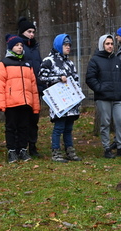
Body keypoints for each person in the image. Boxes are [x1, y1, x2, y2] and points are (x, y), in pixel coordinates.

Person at [0, 34, 40, 163]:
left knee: (24, 127)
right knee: (11, 127)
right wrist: (1, 103)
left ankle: (22, 149)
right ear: (10, 47)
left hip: (26, 102)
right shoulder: (4, 63)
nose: (19, 47)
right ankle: (12, 151)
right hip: (11, 102)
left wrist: (35, 105)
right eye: (16, 45)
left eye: (21, 45)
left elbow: (33, 87)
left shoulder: (27, 64)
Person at [86, 34, 121, 158]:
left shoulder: (117, 60)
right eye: (107, 44)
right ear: (102, 44)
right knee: (105, 123)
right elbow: (90, 78)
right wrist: (100, 89)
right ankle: (107, 148)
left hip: (118, 97)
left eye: (112, 43)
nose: (110, 46)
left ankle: (120, 147)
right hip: (103, 98)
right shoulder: (95, 60)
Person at [39, 34, 82, 163]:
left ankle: (70, 151)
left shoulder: (70, 63)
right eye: (65, 45)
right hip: (58, 100)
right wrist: (59, 78)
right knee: (59, 127)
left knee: (69, 128)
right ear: (58, 45)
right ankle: (56, 152)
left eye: (69, 45)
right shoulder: (49, 61)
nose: (68, 47)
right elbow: (41, 77)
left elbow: (75, 79)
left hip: (71, 101)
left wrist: (78, 96)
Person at [18, 17, 46, 156]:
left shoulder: (35, 48)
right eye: (29, 31)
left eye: (33, 32)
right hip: (23, 89)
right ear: (23, 32)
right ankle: (21, 147)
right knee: (23, 120)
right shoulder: (19, 47)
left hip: (36, 89)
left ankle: (32, 146)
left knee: (34, 119)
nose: (32, 34)